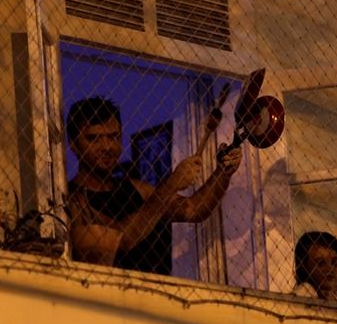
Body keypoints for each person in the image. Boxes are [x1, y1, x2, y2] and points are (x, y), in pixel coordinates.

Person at [65, 96, 242, 274]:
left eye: (113, 136)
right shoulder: (72, 201)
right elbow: (120, 240)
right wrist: (171, 185)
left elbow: (193, 209)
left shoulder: (137, 190)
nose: (106, 146)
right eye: (93, 138)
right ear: (74, 145)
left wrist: (223, 171)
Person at [291, 231, 337, 303]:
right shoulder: (299, 297)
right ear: (303, 267)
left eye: (335, 262)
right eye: (321, 263)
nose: (330, 269)